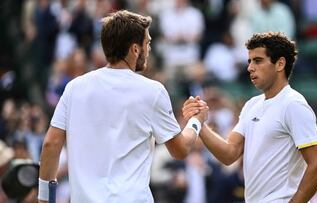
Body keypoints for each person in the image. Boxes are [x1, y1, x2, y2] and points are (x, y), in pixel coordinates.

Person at [38, 10, 208, 203]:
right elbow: (181, 150)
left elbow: (51, 145)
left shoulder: (74, 88)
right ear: (135, 50)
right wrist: (196, 121)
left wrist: (44, 199)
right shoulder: (152, 91)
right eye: (147, 43)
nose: (149, 49)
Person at [183, 32, 317, 202]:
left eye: (258, 60)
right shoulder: (252, 104)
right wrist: (200, 123)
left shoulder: (293, 104)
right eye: (249, 61)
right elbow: (229, 153)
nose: (250, 67)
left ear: (280, 64)